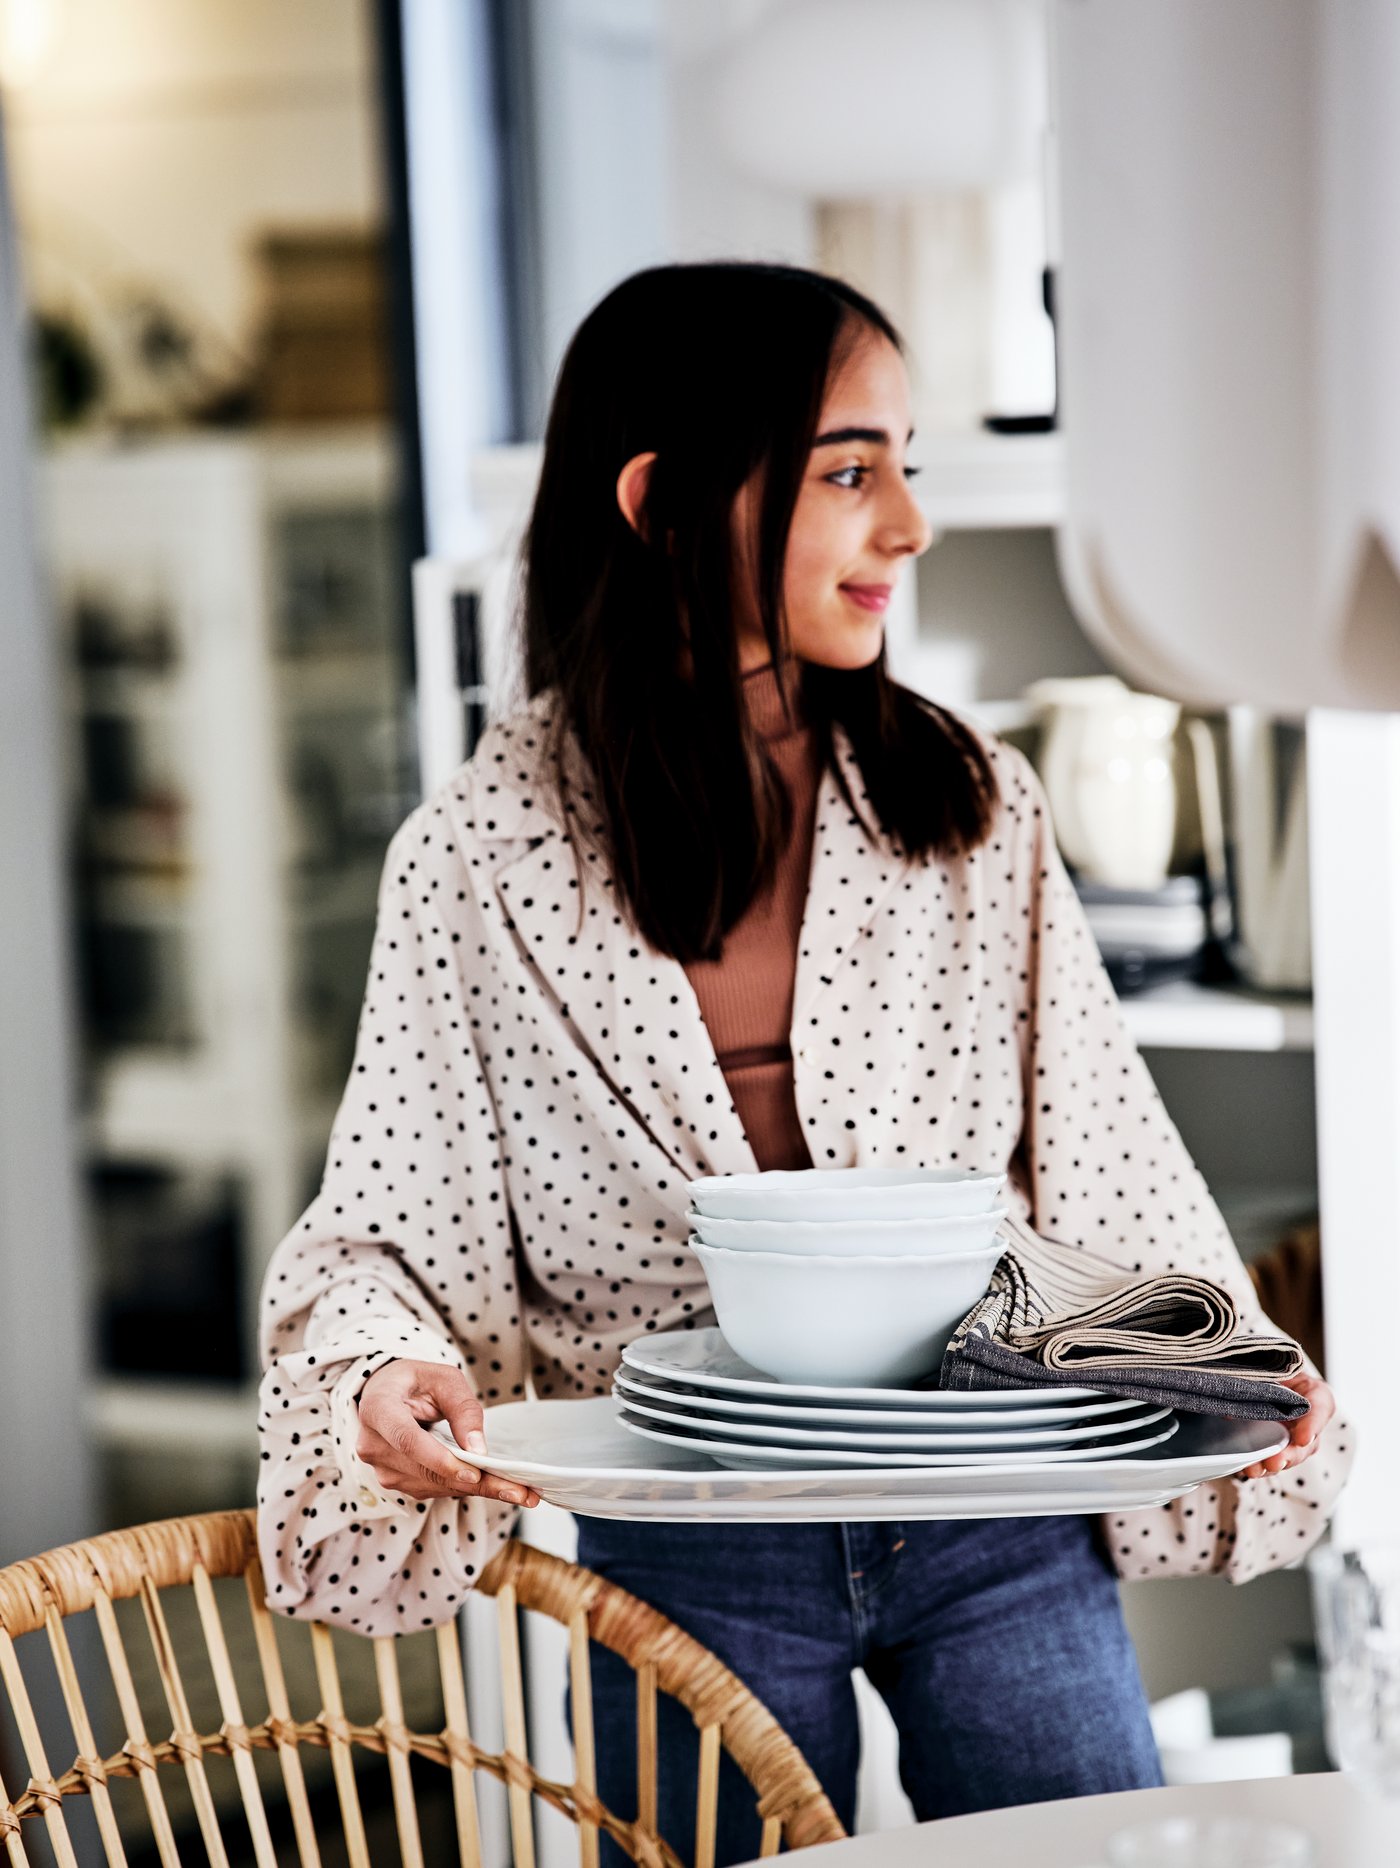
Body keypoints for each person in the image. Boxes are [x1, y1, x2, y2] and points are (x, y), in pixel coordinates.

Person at [257, 262, 1348, 1860]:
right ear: (666, 503)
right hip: (683, 1540)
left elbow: (1110, 1155)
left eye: (907, 463)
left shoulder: (973, 803)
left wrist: (1216, 1354)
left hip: (998, 1512)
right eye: (852, 469)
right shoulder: (475, 861)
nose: (909, 524)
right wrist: (377, 1377)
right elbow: (382, 1233)